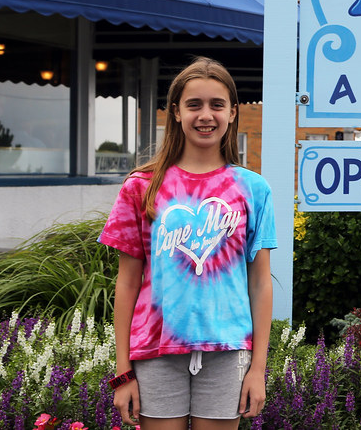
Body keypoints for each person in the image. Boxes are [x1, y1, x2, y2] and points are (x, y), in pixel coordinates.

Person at [99, 57, 276, 429]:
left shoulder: (253, 189)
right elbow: (127, 283)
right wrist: (122, 372)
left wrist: (258, 368)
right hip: (155, 350)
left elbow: (260, 283)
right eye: (194, 104)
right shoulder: (141, 187)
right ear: (176, 112)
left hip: (228, 351)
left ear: (232, 112)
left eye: (217, 105)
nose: (205, 115)